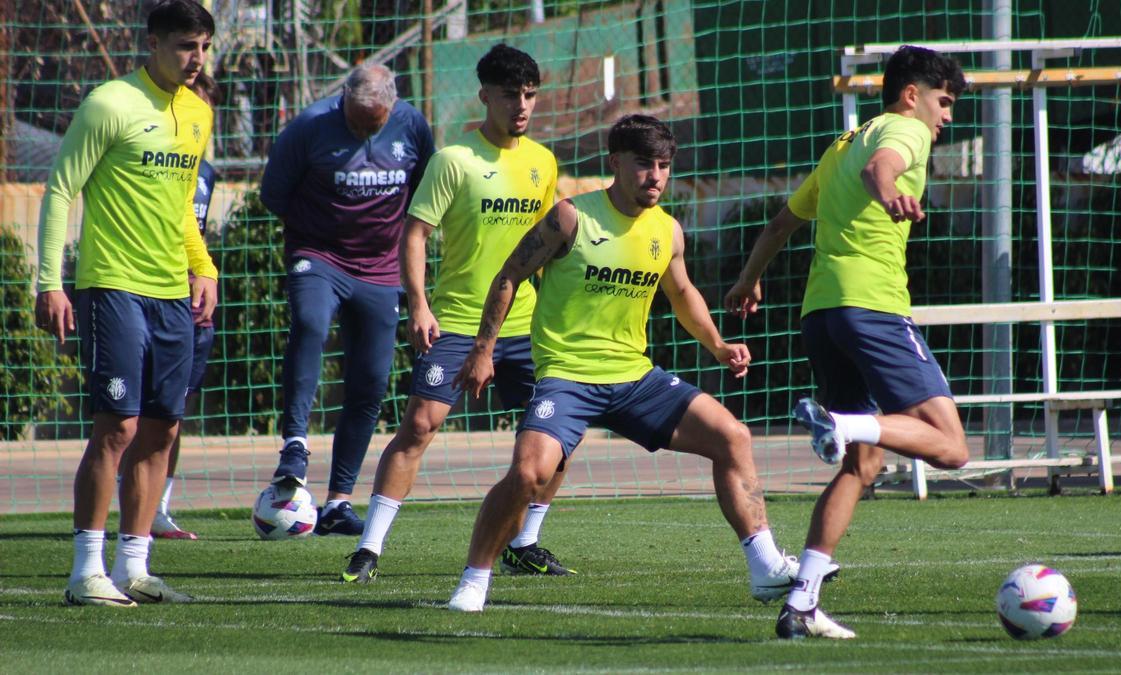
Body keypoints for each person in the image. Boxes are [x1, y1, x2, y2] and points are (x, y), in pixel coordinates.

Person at [445, 114, 800, 612]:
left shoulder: (668, 231)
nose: (655, 176)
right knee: (529, 473)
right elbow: (508, 274)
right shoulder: (570, 217)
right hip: (567, 377)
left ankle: (766, 569)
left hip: (634, 378)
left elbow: (682, 294)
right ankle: (474, 581)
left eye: (663, 166)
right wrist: (483, 349)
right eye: (643, 165)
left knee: (733, 437)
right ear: (615, 163)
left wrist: (718, 346)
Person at [724, 45, 971, 639]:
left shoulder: (841, 143)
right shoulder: (902, 130)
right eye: (945, 102)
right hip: (873, 308)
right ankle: (845, 425)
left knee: (863, 466)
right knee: (953, 447)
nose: (948, 117)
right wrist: (889, 194)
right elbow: (880, 169)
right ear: (913, 94)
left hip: (822, 315)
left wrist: (747, 279)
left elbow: (783, 222)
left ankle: (803, 602)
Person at [341, 44, 573, 585]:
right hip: (458, 321)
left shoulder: (543, 162)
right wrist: (418, 304)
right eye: (511, 94)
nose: (522, 105)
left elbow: (549, 245)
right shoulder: (454, 160)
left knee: (557, 439)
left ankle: (525, 541)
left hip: (526, 326)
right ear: (484, 96)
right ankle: (368, 547)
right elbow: (415, 233)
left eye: (530, 95)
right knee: (420, 426)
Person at [36, 0, 218, 606]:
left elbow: (183, 204)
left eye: (203, 48)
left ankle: (134, 567)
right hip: (112, 284)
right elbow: (62, 186)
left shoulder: (198, 112)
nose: (196, 60)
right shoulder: (109, 102)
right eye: (185, 46)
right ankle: (85, 570)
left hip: (172, 293)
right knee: (118, 426)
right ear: (154, 43)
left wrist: (203, 266)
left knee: (163, 430)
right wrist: (49, 282)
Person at [259, 63, 434, 536]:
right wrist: (321, 225)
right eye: (355, 119)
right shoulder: (308, 128)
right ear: (342, 99)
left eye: (372, 122)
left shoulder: (413, 126)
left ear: (392, 108)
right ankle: (294, 445)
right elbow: (273, 194)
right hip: (319, 257)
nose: (361, 129)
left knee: (371, 381)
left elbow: (424, 195)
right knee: (312, 323)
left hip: (381, 268)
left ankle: (338, 502)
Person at [120, 71, 221, 541]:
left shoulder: (207, 173)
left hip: (188, 304)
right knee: (123, 415)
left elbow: (193, 231)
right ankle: (121, 507)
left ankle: (158, 508)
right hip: (139, 293)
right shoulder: (141, 155)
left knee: (173, 412)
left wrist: (203, 275)